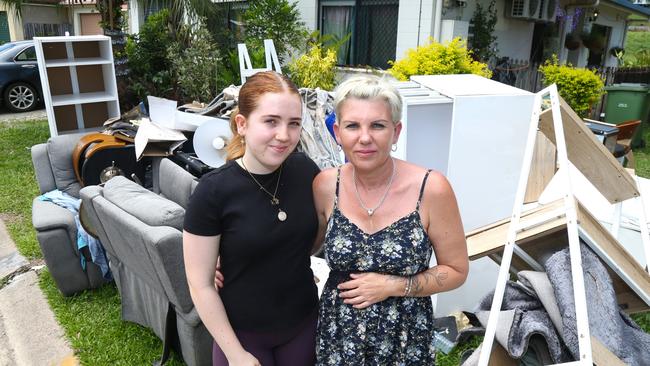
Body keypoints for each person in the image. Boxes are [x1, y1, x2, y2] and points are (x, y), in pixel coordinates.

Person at [312, 75, 469, 365]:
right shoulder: (324, 186)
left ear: (396, 132)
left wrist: (393, 286)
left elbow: (457, 270)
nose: (364, 137)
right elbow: (302, 245)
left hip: (405, 339)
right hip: (338, 339)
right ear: (337, 132)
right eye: (352, 126)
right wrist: (231, 256)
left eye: (378, 125)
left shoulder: (431, 188)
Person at [183, 71, 320, 366]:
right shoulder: (213, 191)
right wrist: (236, 356)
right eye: (271, 121)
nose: (284, 135)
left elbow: (308, 240)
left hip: (303, 324)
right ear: (242, 124)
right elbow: (200, 284)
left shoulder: (306, 171)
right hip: (243, 337)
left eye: (293, 123)